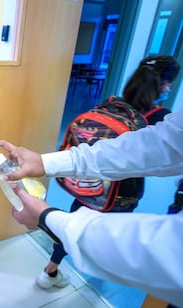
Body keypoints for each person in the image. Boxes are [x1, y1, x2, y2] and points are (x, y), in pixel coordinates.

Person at [0, 107, 183, 307]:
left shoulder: (111, 106)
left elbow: (167, 255)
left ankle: (51, 267)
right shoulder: (156, 120)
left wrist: (46, 217)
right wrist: (44, 162)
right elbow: (157, 145)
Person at [35, 54, 181, 291]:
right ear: (162, 85)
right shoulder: (159, 118)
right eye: (169, 82)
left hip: (88, 183)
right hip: (122, 192)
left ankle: (50, 268)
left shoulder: (112, 102)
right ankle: (101, 272)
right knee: (112, 232)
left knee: (71, 221)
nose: (169, 87)